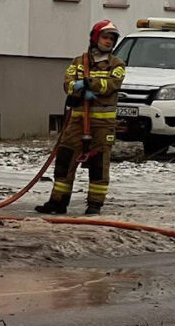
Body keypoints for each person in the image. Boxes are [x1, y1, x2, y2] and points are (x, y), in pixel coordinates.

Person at [36, 20, 125, 216]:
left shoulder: (117, 64)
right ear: (95, 38)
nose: (108, 41)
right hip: (77, 121)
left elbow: (111, 84)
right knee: (65, 159)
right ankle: (58, 202)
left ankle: (95, 204)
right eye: (105, 37)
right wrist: (77, 88)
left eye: (112, 39)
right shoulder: (78, 62)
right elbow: (67, 84)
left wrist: (88, 84)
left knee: (99, 164)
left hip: (102, 124)